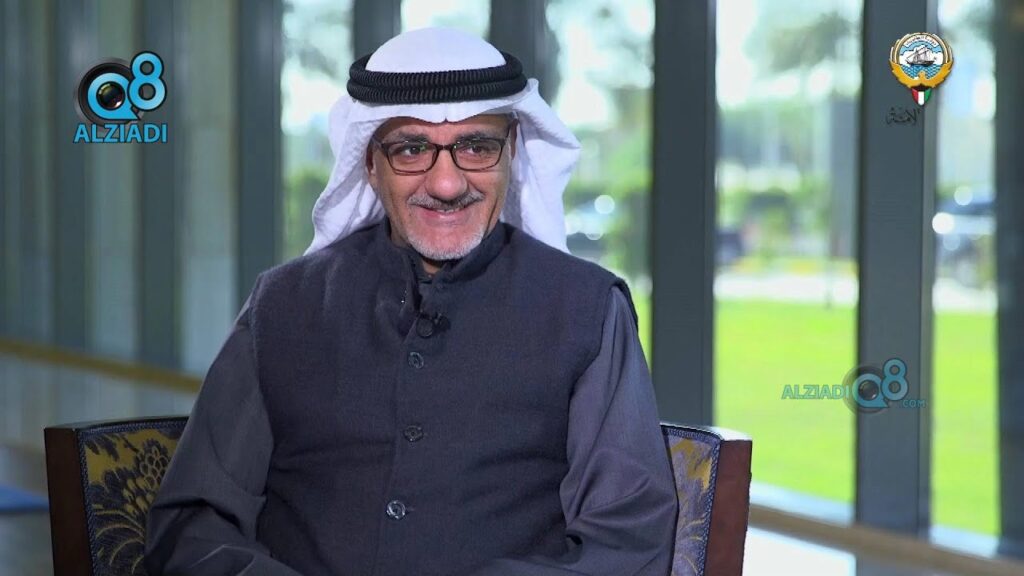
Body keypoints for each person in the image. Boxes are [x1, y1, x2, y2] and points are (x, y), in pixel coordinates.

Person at [144, 27, 677, 576]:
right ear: (370, 163)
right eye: (411, 149)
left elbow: (627, 539)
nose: (446, 184)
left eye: (476, 146)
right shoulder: (281, 306)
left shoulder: (587, 309)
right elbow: (193, 526)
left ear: (512, 152)